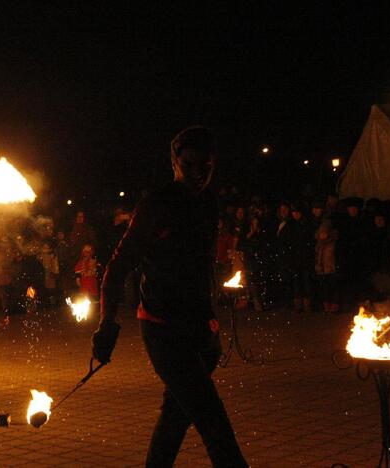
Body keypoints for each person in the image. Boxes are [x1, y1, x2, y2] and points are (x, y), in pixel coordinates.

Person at [93, 126, 247, 467]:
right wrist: (106, 325)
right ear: (174, 161)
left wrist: (212, 327)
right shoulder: (157, 204)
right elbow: (117, 267)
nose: (196, 174)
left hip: (199, 330)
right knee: (214, 423)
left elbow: (202, 267)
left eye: (204, 167)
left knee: (176, 418)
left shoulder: (208, 202)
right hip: (163, 329)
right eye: (188, 165)